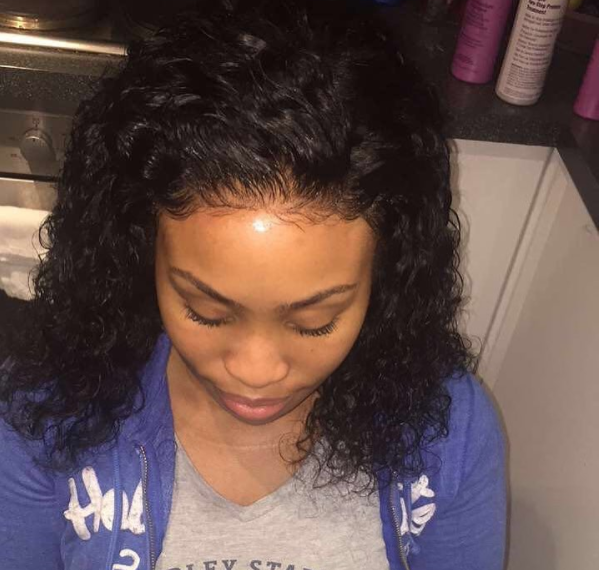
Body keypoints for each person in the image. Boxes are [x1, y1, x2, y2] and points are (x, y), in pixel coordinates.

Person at [0, 1, 506, 569]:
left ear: (385, 278)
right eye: (206, 311)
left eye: (315, 322)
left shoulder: (446, 429)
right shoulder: (43, 422)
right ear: (139, 251)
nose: (256, 371)